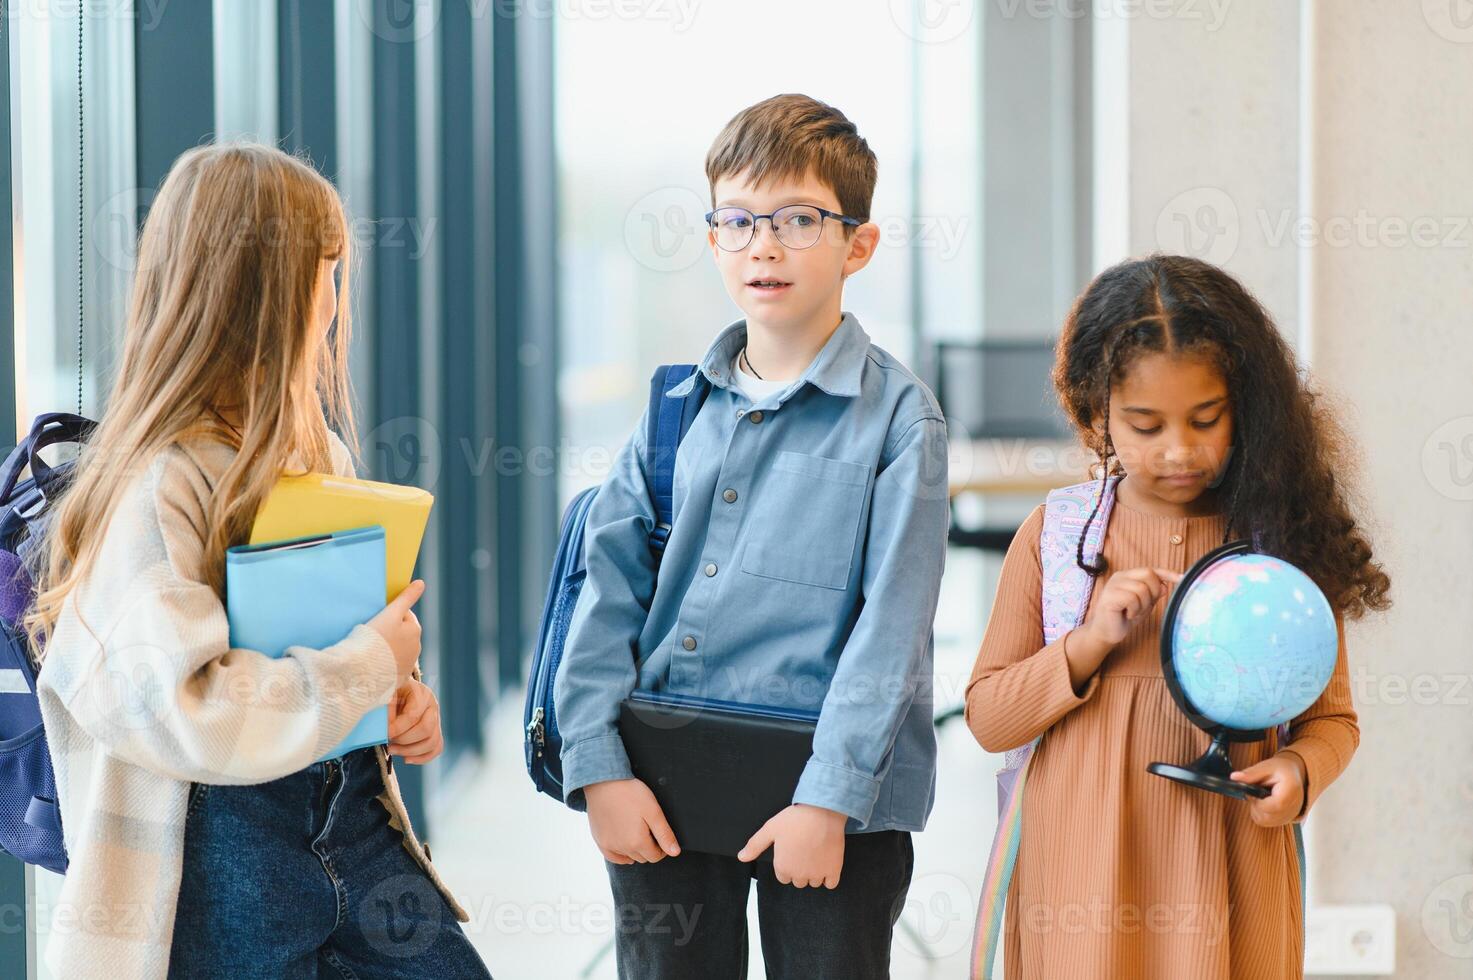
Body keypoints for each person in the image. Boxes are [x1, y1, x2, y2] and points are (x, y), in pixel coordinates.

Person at [27, 143, 492, 980]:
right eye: (329, 269)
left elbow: (325, 661)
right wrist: (363, 666)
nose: (335, 299)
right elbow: (186, 709)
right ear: (269, 289)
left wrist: (393, 700)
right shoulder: (152, 486)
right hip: (216, 861)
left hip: (347, 820)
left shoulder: (314, 457)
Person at [553, 93, 950, 979]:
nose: (762, 244)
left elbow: (892, 631)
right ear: (712, 240)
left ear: (858, 244)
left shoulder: (899, 422)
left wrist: (829, 799)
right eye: (737, 220)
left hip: (827, 803)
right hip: (656, 785)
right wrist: (599, 770)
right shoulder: (670, 410)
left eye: (797, 219)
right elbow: (604, 597)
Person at [965, 253, 1392, 978]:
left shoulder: (1277, 542)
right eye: (1144, 424)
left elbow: (1332, 721)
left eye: (1205, 419)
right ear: (1093, 410)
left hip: (1231, 867)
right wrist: (1088, 640)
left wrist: (1297, 769)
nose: (1178, 450)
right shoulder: (1057, 534)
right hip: (1081, 876)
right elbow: (988, 718)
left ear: (1245, 406)